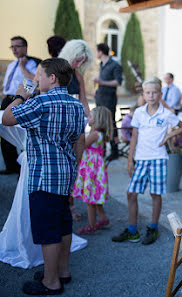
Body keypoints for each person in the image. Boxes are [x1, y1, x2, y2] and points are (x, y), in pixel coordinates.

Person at [2, 58, 85, 295]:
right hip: (65, 172)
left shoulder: (40, 102)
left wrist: (20, 95)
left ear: (52, 78)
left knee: (48, 229)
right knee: (63, 224)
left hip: (44, 176)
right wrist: (75, 166)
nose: (36, 79)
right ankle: (63, 272)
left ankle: (51, 282)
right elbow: (79, 140)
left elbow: (7, 118)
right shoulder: (75, 105)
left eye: (39, 75)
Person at [112, 77, 182, 245]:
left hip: (158, 158)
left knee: (155, 194)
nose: (151, 95)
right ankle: (132, 231)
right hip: (141, 159)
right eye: (148, 92)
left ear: (160, 94)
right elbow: (134, 137)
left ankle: (153, 228)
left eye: (154, 92)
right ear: (143, 94)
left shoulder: (166, 114)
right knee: (131, 193)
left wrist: (169, 135)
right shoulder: (139, 113)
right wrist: (130, 160)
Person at [72, 106, 113, 234]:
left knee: (90, 199)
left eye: (90, 116)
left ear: (97, 120)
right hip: (95, 169)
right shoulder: (100, 134)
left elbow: (82, 145)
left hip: (91, 169)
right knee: (94, 196)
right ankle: (103, 218)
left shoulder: (94, 135)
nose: (87, 118)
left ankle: (91, 226)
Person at [1, 36, 39, 175]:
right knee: (4, 132)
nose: (14, 49)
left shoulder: (32, 64)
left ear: (25, 47)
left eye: (17, 46)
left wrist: (22, 66)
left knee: (21, 131)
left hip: (21, 99)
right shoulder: (11, 64)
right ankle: (11, 166)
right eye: (12, 47)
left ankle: (23, 165)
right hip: (7, 99)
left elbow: (34, 82)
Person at [94, 43, 123, 160]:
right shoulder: (101, 64)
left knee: (110, 123)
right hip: (99, 97)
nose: (96, 53)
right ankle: (103, 150)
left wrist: (102, 82)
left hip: (109, 98)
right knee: (100, 122)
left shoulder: (115, 65)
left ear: (101, 52)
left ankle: (114, 150)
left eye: (97, 51)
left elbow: (118, 82)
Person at [58, 39, 94, 117]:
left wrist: (91, 119)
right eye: (77, 61)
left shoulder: (78, 76)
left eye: (83, 62)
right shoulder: (53, 70)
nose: (79, 65)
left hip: (72, 118)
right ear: (69, 55)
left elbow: (83, 100)